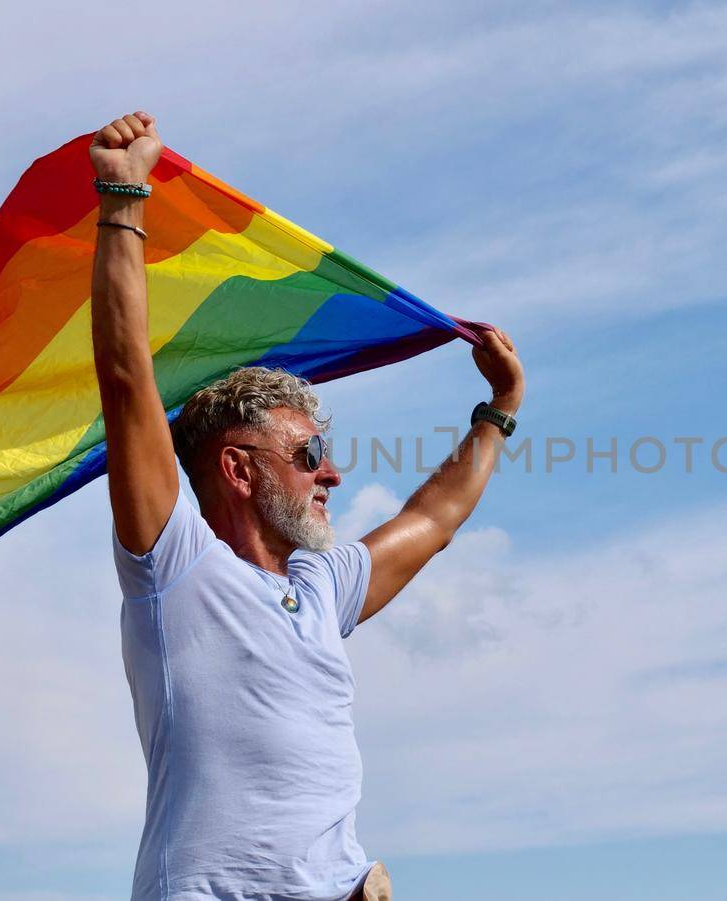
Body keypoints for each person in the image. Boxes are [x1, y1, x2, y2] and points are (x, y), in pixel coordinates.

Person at [89, 111, 525, 901]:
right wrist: (124, 195)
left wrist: (498, 408)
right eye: (308, 455)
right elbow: (126, 382)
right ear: (238, 470)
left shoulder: (323, 586)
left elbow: (434, 522)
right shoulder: (175, 567)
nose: (331, 474)